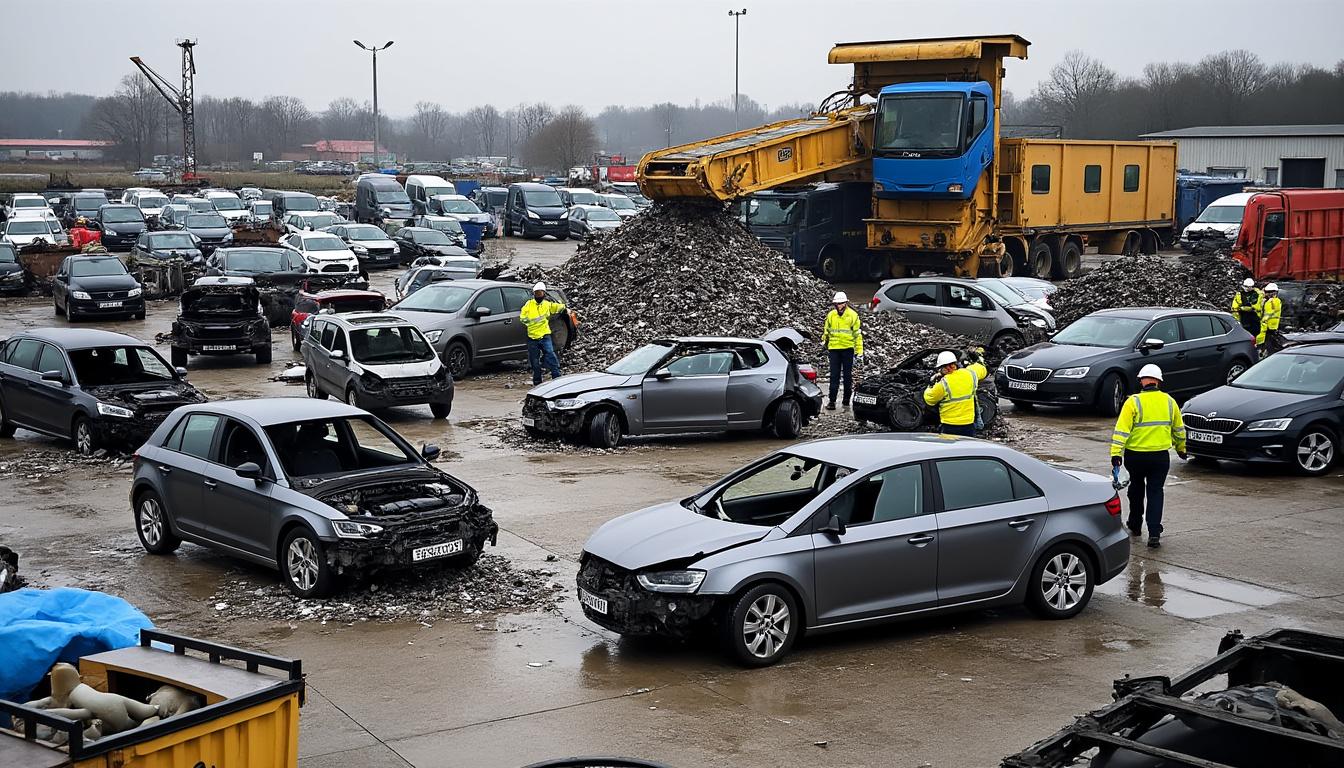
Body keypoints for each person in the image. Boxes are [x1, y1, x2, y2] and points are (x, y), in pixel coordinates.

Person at [1110, 364, 1186, 549]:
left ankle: (1135, 525)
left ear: (1142, 381)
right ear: (1158, 381)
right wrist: (1181, 449)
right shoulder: (1170, 402)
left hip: (1135, 456)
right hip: (1160, 457)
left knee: (1136, 489)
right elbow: (1179, 429)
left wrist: (1116, 454)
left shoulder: (1133, 402)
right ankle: (1154, 533)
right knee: (1155, 492)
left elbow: (1121, 431)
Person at [923, 349, 987, 437]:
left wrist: (930, 384)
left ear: (946, 368)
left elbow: (929, 399)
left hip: (950, 426)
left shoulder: (943, 384)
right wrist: (977, 359)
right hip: (969, 424)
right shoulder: (969, 374)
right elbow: (982, 369)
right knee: (967, 445)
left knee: (950, 446)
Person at [822, 291, 863, 410]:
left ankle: (846, 400)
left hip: (847, 349)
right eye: (837, 304)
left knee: (847, 376)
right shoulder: (831, 315)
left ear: (845, 303)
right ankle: (832, 401)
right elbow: (827, 331)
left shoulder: (852, 315)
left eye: (840, 303)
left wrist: (859, 351)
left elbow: (857, 335)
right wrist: (824, 342)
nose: (839, 306)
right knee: (834, 376)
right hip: (834, 349)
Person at [520, 281, 566, 385]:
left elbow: (557, 307)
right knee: (535, 362)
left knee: (550, 355)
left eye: (540, 293)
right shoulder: (529, 305)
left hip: (545, 335)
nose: (538, 295)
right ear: (534, 294)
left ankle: (557, 378)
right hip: (532, 337)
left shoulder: (546, 305)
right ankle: (537, 382)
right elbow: (522, 318)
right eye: (537, 293)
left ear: (544, 294)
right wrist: (530, 322)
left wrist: (564, 307)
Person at [1260, 282, 1283, 357]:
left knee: (1270, 343)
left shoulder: (1275, 301)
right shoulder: (1268, 301)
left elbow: (1270, 312)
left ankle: (1270, 354)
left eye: (1268, 292)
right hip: (1267, 325)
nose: (1267, 294)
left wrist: (1263, 320)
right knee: (1267, 341)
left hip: (1271, 326)